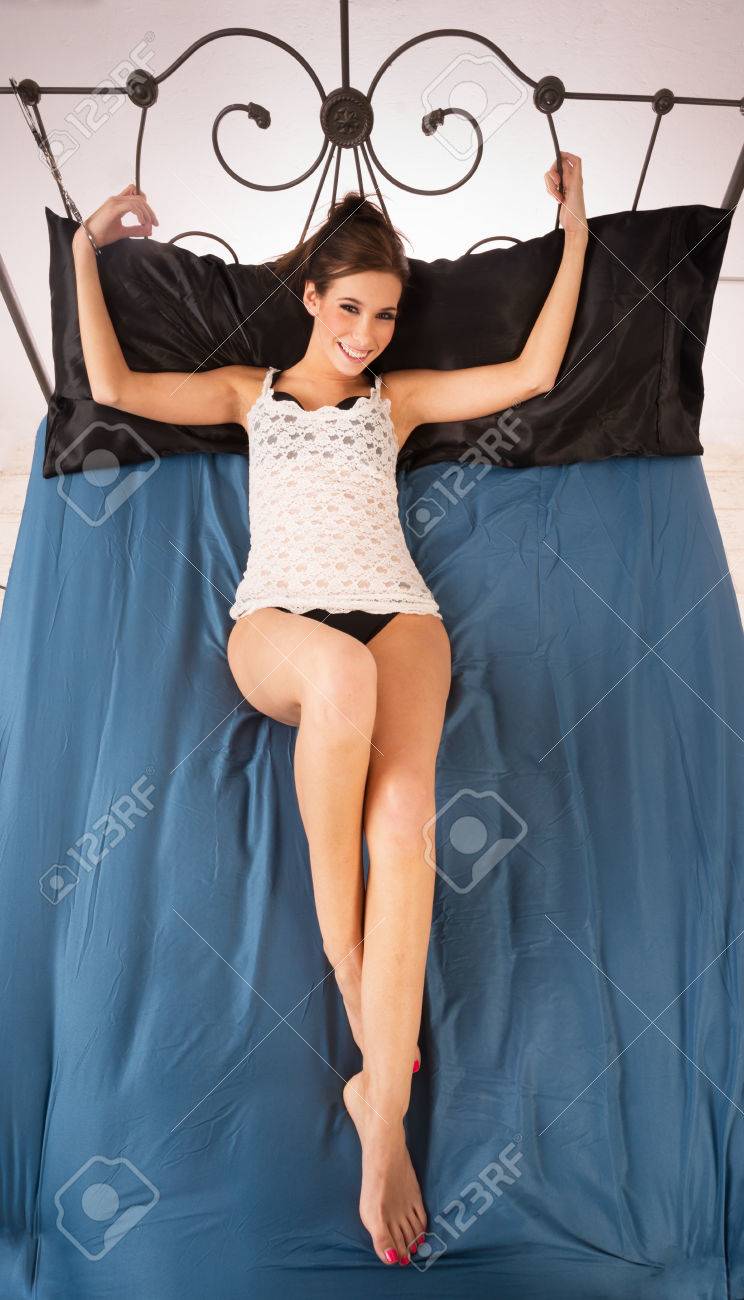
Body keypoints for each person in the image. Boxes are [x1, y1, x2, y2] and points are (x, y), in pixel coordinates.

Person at [71, 156, 588, 1268]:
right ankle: (357, 986)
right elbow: (110, 385)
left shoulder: (392, 403)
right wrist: (82, 249)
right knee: (341, 689)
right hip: (280, 632)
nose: (367, 331)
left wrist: (576, 223)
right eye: (350, 307)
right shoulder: (245, 393)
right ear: (311, 297)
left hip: (402, 615)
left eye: (386, 315)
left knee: (407, 834)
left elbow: (538, 369)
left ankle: (380, 1116)